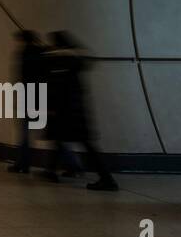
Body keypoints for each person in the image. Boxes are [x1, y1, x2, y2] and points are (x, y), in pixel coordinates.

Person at [42, 31, 117, 191]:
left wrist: (50, 106)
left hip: (65, 111)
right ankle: (50, 171)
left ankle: (107, 179)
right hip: (77, 110)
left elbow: (56, 88)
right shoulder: (75, 59)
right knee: (66, 141)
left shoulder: (59, 61)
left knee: (75, 143)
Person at [7, 29, 45, 174]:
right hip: (39, 97)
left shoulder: (26, 54)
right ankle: (74, 165)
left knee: (24, 133)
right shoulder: (41, 53)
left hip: (28, 98)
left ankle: (22, 163)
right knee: (55, 134)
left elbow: (23, 78)